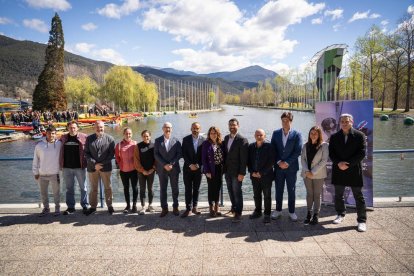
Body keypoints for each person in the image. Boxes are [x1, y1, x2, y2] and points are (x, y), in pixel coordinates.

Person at [329, 113, 367, 232]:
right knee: (338, 195)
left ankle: (361, 220)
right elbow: (331, 153)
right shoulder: (334, 137)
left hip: (354, 170)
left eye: (347, 121)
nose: (345, 124)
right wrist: (339, 163)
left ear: (352, 122)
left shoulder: (360, 135)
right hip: (339, 169)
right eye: (343, 122)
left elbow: (362, 153)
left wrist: (348, 164)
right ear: (340, 123)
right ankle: (340, 214)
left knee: (358, 196)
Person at [271, 111, 303, 221]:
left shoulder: (297, 134)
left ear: (291, 121)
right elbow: (273, 150)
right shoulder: (275, 133)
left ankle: (291, 211)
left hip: (291, 168)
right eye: (283, 120)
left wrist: (287, 162)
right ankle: (278, 210)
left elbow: (298, 151)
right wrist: (279, 162)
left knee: (291, 190)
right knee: (278, 189)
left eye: (287, 121)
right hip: (279, 168)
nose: (285, 123)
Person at [84, 121, 115, 215]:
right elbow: (86, 153)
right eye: (97, 127)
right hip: (92, 168)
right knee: (93, 188)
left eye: (101, 127)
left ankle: (109, 205)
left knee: (108, 187)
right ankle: (93, 206)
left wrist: (100, 164)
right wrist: (95, 164)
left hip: (105, 167)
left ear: (104, 127)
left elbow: (111, 154)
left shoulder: (110, 139)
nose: (99, 129)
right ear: (94, 128)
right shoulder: (89, 138)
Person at [300, 126, 328, 225]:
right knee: (309, 194)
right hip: (306, 174)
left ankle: (316, 215)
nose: (313, 135)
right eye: (311, 133)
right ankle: (308, 213)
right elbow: (302, 159)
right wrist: (307, 171)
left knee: (317, 195)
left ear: (319, 134)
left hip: (318, 175)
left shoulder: (324, 145)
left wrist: (313, 172)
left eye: (315, 133)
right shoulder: (305, 145)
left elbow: (324, 160)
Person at [59, 121, 89, 215]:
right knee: (69, 188)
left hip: (80, 167)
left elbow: (90, 148)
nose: (72, 129)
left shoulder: (84, 137)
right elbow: (52, 142)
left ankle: (85, 205)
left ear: (77, 128)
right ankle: (71, 207)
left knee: (83, 187)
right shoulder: (63, 137)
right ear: (68, 128)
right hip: (66, 167)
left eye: (74, 127)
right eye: (71, 127)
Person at [32, 125, 62, 217]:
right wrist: (35, 172)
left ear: (55, 134)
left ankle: (57, 208)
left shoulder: (59, 144)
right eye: (49, 133)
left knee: (56, 193)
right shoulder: (39, 145)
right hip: (42, 174)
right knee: (43, 193)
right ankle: (46, 208)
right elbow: (35, 159)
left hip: (55, 173)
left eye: (53, 133)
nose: (51, 135)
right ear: (46, 134)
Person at [154, 122, 182, 217]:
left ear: (172, 129)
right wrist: (164, 164)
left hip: (173, 169)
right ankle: (164, 208)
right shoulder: (157, 141)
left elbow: (179, 154)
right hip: (162, 169)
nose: (168, 129)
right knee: (163, 189)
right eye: (166, 127)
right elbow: (156, 154)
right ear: (163, 129)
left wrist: (171, 164)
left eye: (169, 128)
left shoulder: (177, 141)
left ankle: (175, 207)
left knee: (175, 189)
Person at [223, 118, 248, 222]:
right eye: (230, 125)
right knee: (230, 191)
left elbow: (244, 159)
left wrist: (242, 173)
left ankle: (238, 212)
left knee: (237, 192)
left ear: (238, 125)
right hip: (227, 171)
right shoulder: (226, 138)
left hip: (237, 172)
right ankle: (233, 208)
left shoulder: (242, 140)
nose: (232, 127)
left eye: (234, 125)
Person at [247, 129, 275, 224]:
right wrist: (252, 172)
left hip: (266, 176)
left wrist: (261, 173)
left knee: (267, 196)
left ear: (264, 136)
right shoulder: (251, 146)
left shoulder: (269, 146)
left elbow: (271, 162)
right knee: (256, 195)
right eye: (257, 135)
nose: (259, 136)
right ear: (254, 136)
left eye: (261, 135)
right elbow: (248, 161)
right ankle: (257, 211)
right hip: (254, 176)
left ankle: (267, 214)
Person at [181, 122, 205, 218]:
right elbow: (183, 154)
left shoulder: (204, 140)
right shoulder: (185, 139)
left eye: (197, 128)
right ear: (191, 129)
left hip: (198, 170)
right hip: (187, 168)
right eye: (193, 128)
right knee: (188, 189)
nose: (195, 130)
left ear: (200, 129)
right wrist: (190, 164)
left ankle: (195, 207)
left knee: (197, 189)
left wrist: (198, 165)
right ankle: (188, 208)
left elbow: (204, 155)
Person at [202, 126, 225, 217]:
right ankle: (211, 207)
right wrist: (206, 171)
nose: (213, 135)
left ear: (217, 134)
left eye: (215, 133)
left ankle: (217, 206)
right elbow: (204, 159)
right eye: (211, 133)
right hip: (210, 169)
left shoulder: (221, 143)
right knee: (211, 188)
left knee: (218, 187)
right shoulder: (206, 143)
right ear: (209, 134)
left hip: (220, 168)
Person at [115, 127, 138, 213]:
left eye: (129, 133)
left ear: (131, 134)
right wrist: (120, 164)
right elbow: (117, 157)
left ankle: (134, 205)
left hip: (133, 170)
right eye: (126, 133)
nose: (128, 135)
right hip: (123, 171)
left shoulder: (135, 144)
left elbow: (138, 157)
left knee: (135, 188)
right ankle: (128, 205)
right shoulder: (119, 145)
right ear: (123, 134)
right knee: (126, 188)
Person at [134, 130, 156, 214]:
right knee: (142, 189)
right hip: (141, 172)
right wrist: (142, 170)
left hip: (151, 171)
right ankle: (143, 206)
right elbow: (136, 160)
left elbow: (156, 159)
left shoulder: (154, 146)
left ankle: (150, 205)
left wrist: (153, 169)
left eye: (147, 136)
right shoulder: (138, 146)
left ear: (150, 136)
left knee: (150, 188)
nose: (146, 138)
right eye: (144, 136)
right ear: (142, 137)